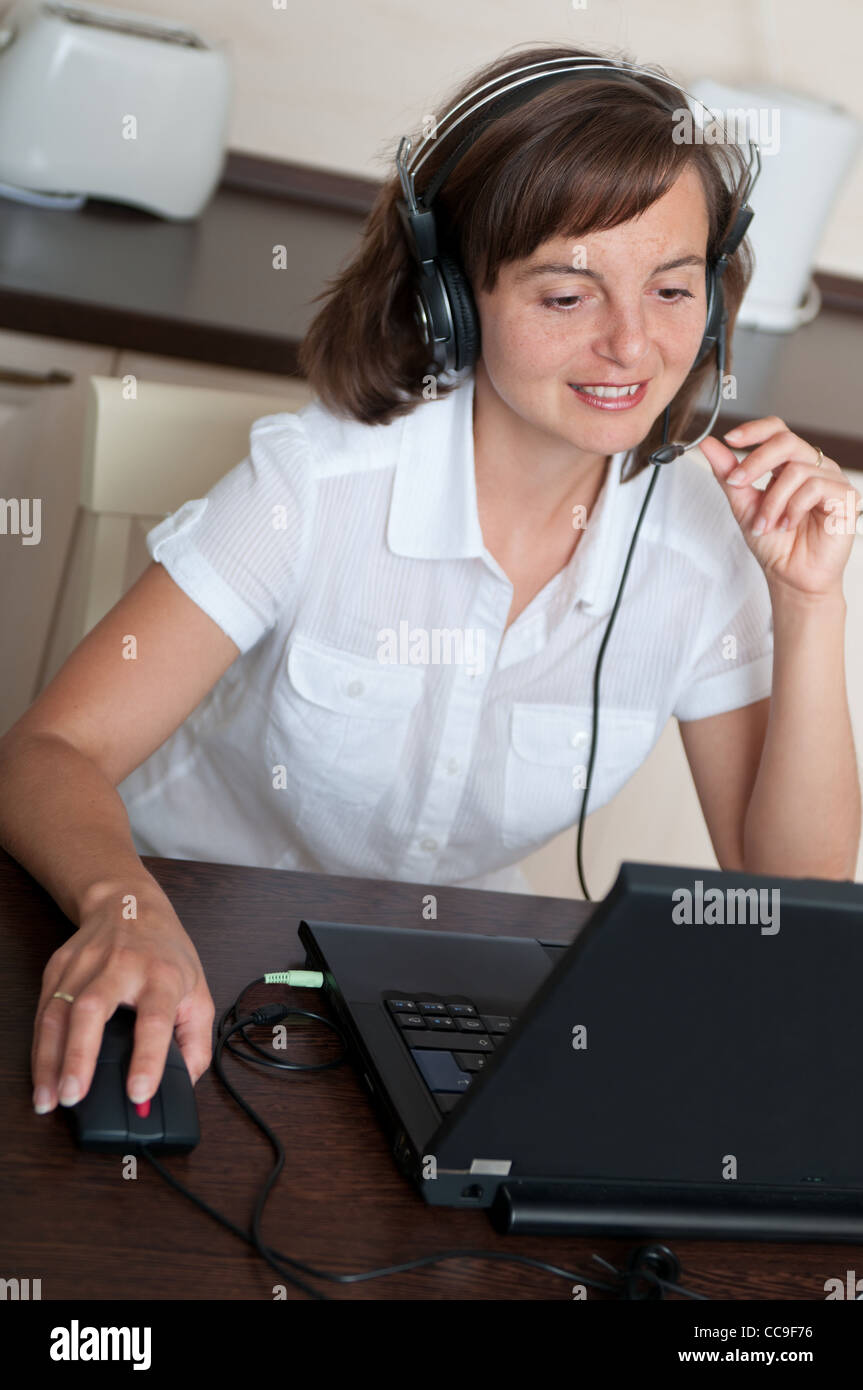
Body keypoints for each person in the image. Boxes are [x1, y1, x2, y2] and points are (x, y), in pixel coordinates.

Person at [1, 42, 858, 1120]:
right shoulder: (318, 484)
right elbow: (49, 751)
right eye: (564, 293)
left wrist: (808, 600)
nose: (631, 344)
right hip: (179, 941)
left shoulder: (694, 539)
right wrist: (124, 904)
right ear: (454, 295)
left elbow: (784, 897)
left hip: (429, 990)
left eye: (672, 288)